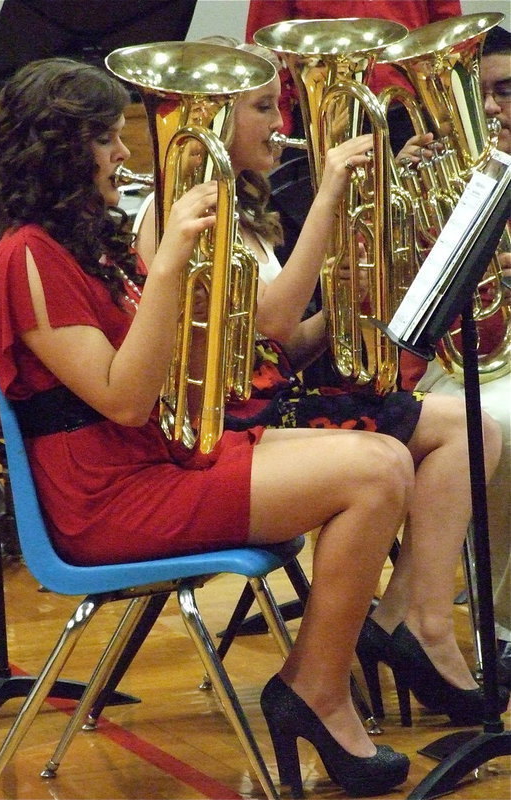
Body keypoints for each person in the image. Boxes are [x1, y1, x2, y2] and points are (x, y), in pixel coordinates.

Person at [0, 56, 419, 800]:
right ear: (60, 151)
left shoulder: (82, 244)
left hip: (156, 460)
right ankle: (315, 691)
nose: (123, 153)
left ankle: (325, 677)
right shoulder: (25, 258)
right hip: (108, 500)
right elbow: (124, 399)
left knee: (386, 454)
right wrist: (172, 263)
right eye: (106, 139)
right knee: (373, 474)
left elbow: (163, 370)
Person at [131, 38, 509, 742]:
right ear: (216, 119)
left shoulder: (246, 211)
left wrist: (374, 277)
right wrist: (333, 196)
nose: (280, 123)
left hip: (269, 403)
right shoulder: (172, 211)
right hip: (226, 427)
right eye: (261, 108)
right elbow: (272, 326)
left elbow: (284, 344)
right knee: (424, 443)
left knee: (472, 431)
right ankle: (398, 638)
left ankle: (414, 618)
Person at [400, 24, 511, 687]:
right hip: (461, 364)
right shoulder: (449, 177)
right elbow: (399, 308)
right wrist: (404, 205)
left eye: (506, 91)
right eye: (481, 94)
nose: (492, 108)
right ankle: (500, 628)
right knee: (500, 423)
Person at [244, 0, 462, 149]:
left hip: (409, 113)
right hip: (324, 119)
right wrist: (280, 127)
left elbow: (447, 31)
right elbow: (265, 50)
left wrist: (449, 117)